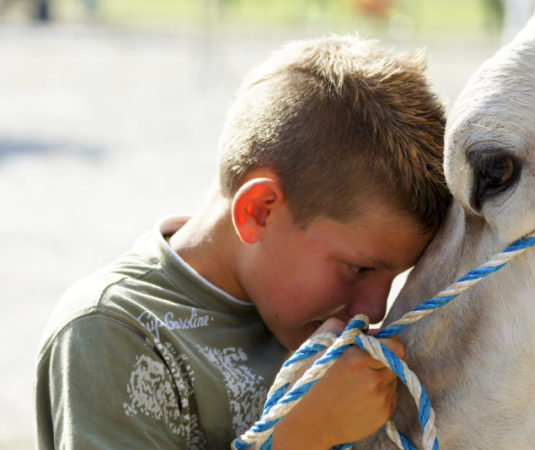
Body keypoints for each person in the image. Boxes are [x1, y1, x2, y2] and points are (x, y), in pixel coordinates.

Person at [35, 34, 450, 449]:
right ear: (259, 210)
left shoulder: (324, 338)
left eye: (394, 276)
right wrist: (299, 437)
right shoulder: (110, 331)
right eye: (359, 268)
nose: (375, 308)